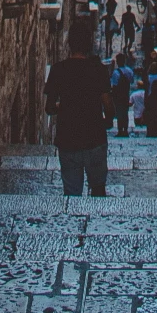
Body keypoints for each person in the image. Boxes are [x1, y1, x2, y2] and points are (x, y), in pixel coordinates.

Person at [44, 18, 114, 197]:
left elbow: (50, 108)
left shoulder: (58, 70)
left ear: (70, 44)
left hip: (68, 140)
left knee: (72, 193)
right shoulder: (98, 69)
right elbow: (108, 106)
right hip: (95, 139)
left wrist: (66, 105)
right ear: (89, 43)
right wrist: (107, 121)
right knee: (98, 190)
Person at [143, 54, 157, 139]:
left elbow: (146, 88)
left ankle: (150, 131)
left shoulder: (148, 77)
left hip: (150, 97)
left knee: (150, 115)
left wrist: (145, 99)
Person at [110, 56, 133, 138]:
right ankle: (125, 130)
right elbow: (131, 81)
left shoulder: (116, 73)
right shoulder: (129, 71)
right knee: (125, 112)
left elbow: (114, 85)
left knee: (119, 112)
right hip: (126, 94)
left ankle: (120, 130)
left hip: (119, 95)